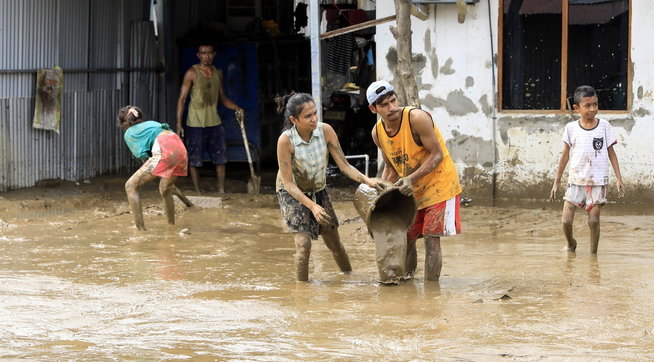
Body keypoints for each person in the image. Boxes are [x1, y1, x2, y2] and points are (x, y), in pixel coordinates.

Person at [275, 92, 386, 282]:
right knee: (303, 245)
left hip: (318, 189)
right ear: (294, 119)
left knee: (334, 241)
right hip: (292, 193)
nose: (314, 119)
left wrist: (367, 180)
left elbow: (344, 165)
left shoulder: (325, 131)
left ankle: (348, 277)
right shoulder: (286, 141)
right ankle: (302, 291)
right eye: (308, 116)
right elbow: (288, 184)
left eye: (315, 113)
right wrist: (312, 206)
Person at [367, 80, 462, 282]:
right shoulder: (378, 133)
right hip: (411, 188)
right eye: (384, 105)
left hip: (439, 184)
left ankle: (431, 292)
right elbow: (391, 167)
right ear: (373, 108)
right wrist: (383, 194)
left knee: (430, 238)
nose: (392, 108)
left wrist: (410, 178)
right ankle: (406, 283)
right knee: (406, 238)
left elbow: (437, 155)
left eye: (393, 101)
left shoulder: (416, 118)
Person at [549, 85, 624, 254]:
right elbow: (564, 156)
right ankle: (570, 244)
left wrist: (619, 178)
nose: (593, 109)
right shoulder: (571, 128)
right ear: (577, 108)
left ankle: (593, 255)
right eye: (588, 105)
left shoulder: (604, 126)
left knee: (594, 220)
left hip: (597, 181)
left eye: (595, 104)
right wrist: (556, 182)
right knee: (566, 221)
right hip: (575, 180)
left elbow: (611, 153)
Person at [176, 44, 244, 194]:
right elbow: (182, 99)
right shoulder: (191, 73)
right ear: (198, 55)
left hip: (215, 122)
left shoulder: (218, 73)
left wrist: (237, 108)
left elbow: (223, 99)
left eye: (209, 53)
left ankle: (221, 190)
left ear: (214, 54)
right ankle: (197, 190)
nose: (206, 56)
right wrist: (179, 124)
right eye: (203, 53)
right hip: (195, 122)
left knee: (221, 157)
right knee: (194, 159)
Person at [117, 106, 193, 231]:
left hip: (164, 149)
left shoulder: (129, 133)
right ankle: (171, 227)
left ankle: (140, 230)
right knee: (165, 188)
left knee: (130, 186)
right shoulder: (152, 123)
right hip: (180, 148)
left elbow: (144, 157)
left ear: (125, 123)